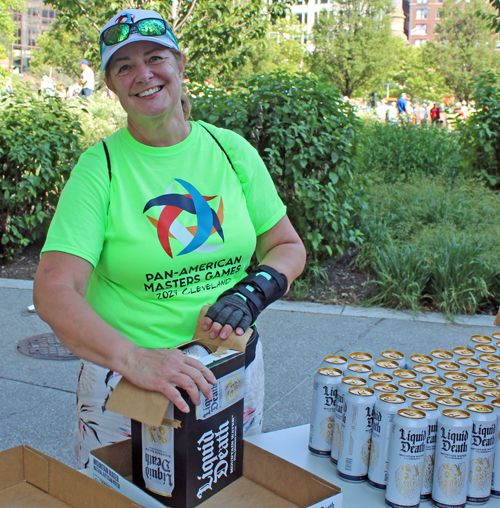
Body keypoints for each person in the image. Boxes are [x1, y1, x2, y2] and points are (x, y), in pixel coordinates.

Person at [33, 9, 306, 469]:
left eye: (155, 57)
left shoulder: (231, 150)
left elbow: (287, 246)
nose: (143, 74)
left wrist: (254, 292)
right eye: (124, 66)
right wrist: (135, 358)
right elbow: (54, 290)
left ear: (179, 64)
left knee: (228, 493)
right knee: (118, 498)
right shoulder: (100, 168)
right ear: (111, 86)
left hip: (229, 368)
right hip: (131, 380)